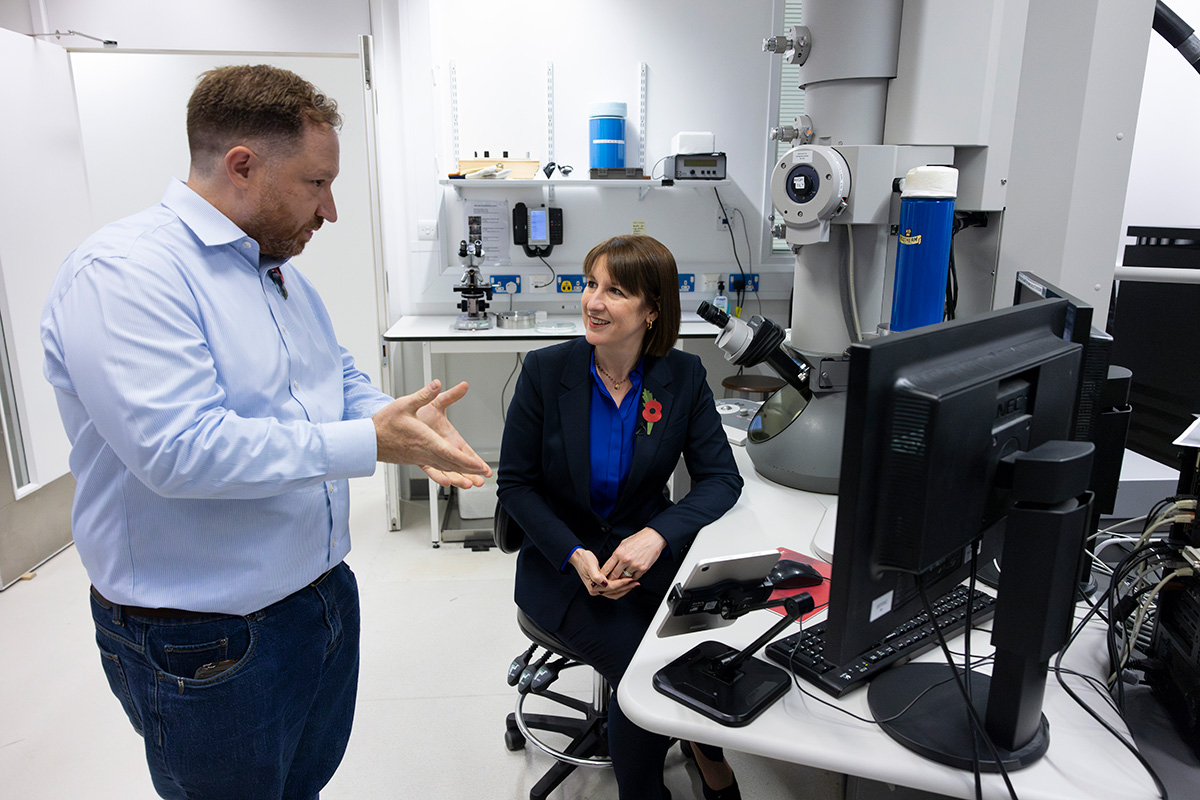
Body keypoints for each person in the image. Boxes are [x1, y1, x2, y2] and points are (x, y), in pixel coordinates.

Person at [40, 64, 490, 800]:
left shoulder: (275, 272)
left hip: (316, 602)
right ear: (242, 166)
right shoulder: (127, 274)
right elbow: (181, 451)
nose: (331, 210)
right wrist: (374, 443)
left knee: (297, 786)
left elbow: (331, 380)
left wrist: (397, 415)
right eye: (317, 184)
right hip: (204, 639)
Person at [497, 235, 745, 800]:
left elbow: (721, 480)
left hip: (648, 560)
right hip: (562, 568)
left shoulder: (681, 378)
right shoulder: (544, 373)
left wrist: (657, 535)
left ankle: (707, 750)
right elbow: (514, 484)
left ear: (652, 311)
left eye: (615, 291)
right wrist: (575, 553)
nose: (593, 301)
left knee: (705, 642)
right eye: (590, 284)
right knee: (641, 671)